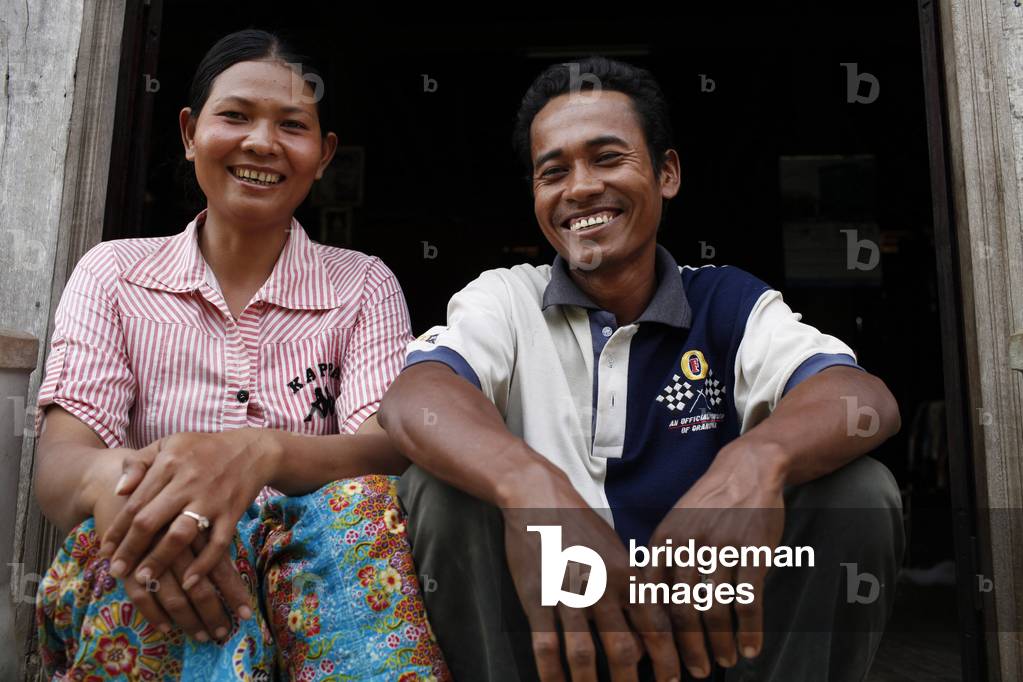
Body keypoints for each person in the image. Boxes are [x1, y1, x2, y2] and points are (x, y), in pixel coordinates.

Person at [379, 57, 904, 681]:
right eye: (554, 172)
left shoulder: (726, 302)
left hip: (706, 628)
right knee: (436, 492)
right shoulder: (505, 298)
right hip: (549, 627)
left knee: (860, 493)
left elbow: (859, 398)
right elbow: (417, 399)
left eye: (607, 158)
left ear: (667, 172)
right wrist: (529, 488)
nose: (579, 189)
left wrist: (758, 460)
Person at [33, 29, 448, 681]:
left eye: (292, 125)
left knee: (365, 505)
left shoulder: (362, 284)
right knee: (132, 534)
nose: (261, 143)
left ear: (322, 154)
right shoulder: (114, 274)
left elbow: (384, 450)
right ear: (190, 132)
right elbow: (60, 467)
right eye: (235, 116)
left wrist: (262, 452)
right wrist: (149, 494)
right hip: (163, 579)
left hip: (319, 590)